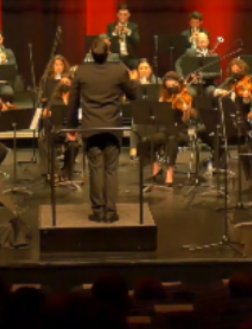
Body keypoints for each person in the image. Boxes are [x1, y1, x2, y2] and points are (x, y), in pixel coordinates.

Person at [67, 37, 138, 223]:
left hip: (91, 127)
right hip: (112, 126)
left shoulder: (81, 71)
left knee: (96, 168)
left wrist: (71, 126)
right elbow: (133, 95)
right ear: (109, 53)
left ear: (91, 52)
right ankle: (111, 211)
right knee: (111, 170)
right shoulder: (119, 71)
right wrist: (134, 81)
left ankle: (98, 211)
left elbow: (73, 102)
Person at [137, 72, 191, 186]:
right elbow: (160, 119)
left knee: (172, 139)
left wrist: (186, 111)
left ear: (178, 83)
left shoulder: (185, 97)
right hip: (167, 131)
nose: (172, 88)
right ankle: (156, 167)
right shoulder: (164, 97)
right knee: (145, 142)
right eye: (169, 87)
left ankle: (170, 171)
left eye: (173, 86)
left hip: (181, 132)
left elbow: (185, 121)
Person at [44, 72, 80, 182]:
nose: (64, 84)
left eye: (67, 82)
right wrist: (47, 114)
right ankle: (53, 171)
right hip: (58, 131)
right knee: (43, 141)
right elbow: (46, 113)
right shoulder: (54, 99)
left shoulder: (76, 99)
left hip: (72, 132)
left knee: (75, 144)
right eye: (62, 82)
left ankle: (66, 171)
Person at [107, 4, 141, 70]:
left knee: (136, 64)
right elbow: (108, 43)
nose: (122, 17)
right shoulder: (111, 27)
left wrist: (129, 32)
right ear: (117, 15)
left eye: (125, 15)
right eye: (121, 14)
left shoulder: (133, 27)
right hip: (117, 57)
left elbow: (137, 42)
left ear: (129, 15)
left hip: (130, 57)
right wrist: (115, 33)